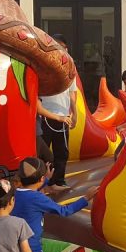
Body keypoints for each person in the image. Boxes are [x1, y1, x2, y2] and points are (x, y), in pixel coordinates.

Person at [37, 36, 76, 190]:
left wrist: (75, 114)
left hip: (63, 117)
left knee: (62, 152)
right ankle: (40, 181)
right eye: (59, 47)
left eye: (64, 48)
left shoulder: (70, 68)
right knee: (43, 152)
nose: (62, 50)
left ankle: (58, 181)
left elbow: (72, 93)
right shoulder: (45, 68)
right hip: (46, 116)